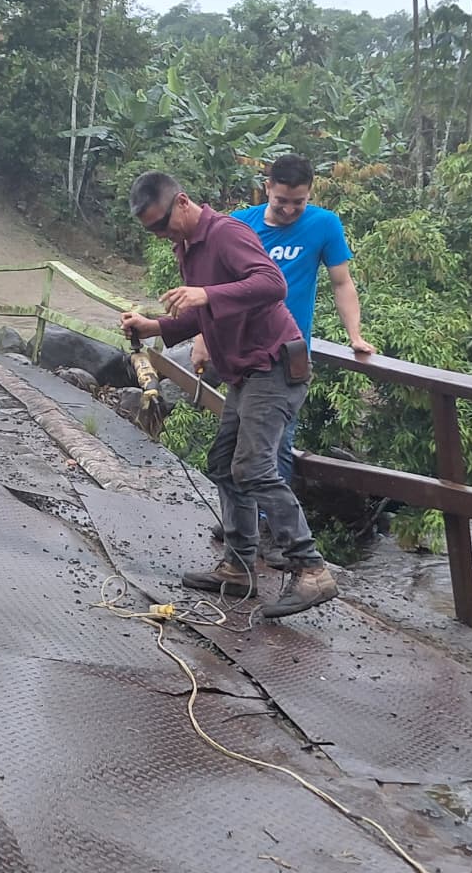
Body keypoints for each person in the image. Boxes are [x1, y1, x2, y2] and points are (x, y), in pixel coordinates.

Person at [120, 170, 338, 618]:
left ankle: (312, 569)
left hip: (275, 366)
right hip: (247, 372)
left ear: (183, 202)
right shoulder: (187, 246)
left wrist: (205, 293)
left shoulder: (226, 233)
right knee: (224, 463)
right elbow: (205, 313)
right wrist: (154, 326)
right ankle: (238, 567)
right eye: (151, 229)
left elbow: (272, 284)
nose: (160, 234)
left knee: (253, 466)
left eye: (162, 223)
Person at [193, 153, 374, 484]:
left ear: (310, 193)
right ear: (267, 188)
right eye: (281, 201)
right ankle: (243, 516)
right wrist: (202, 338)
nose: (289, 210)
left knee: (274, 451)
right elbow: (213, 289)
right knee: (229, 452)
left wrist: (355, 335)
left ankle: (272, 517)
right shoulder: (238, 225)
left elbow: (342, 283)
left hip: (286, 356)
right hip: (240, 353)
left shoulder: (324, 224)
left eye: (298, 202)